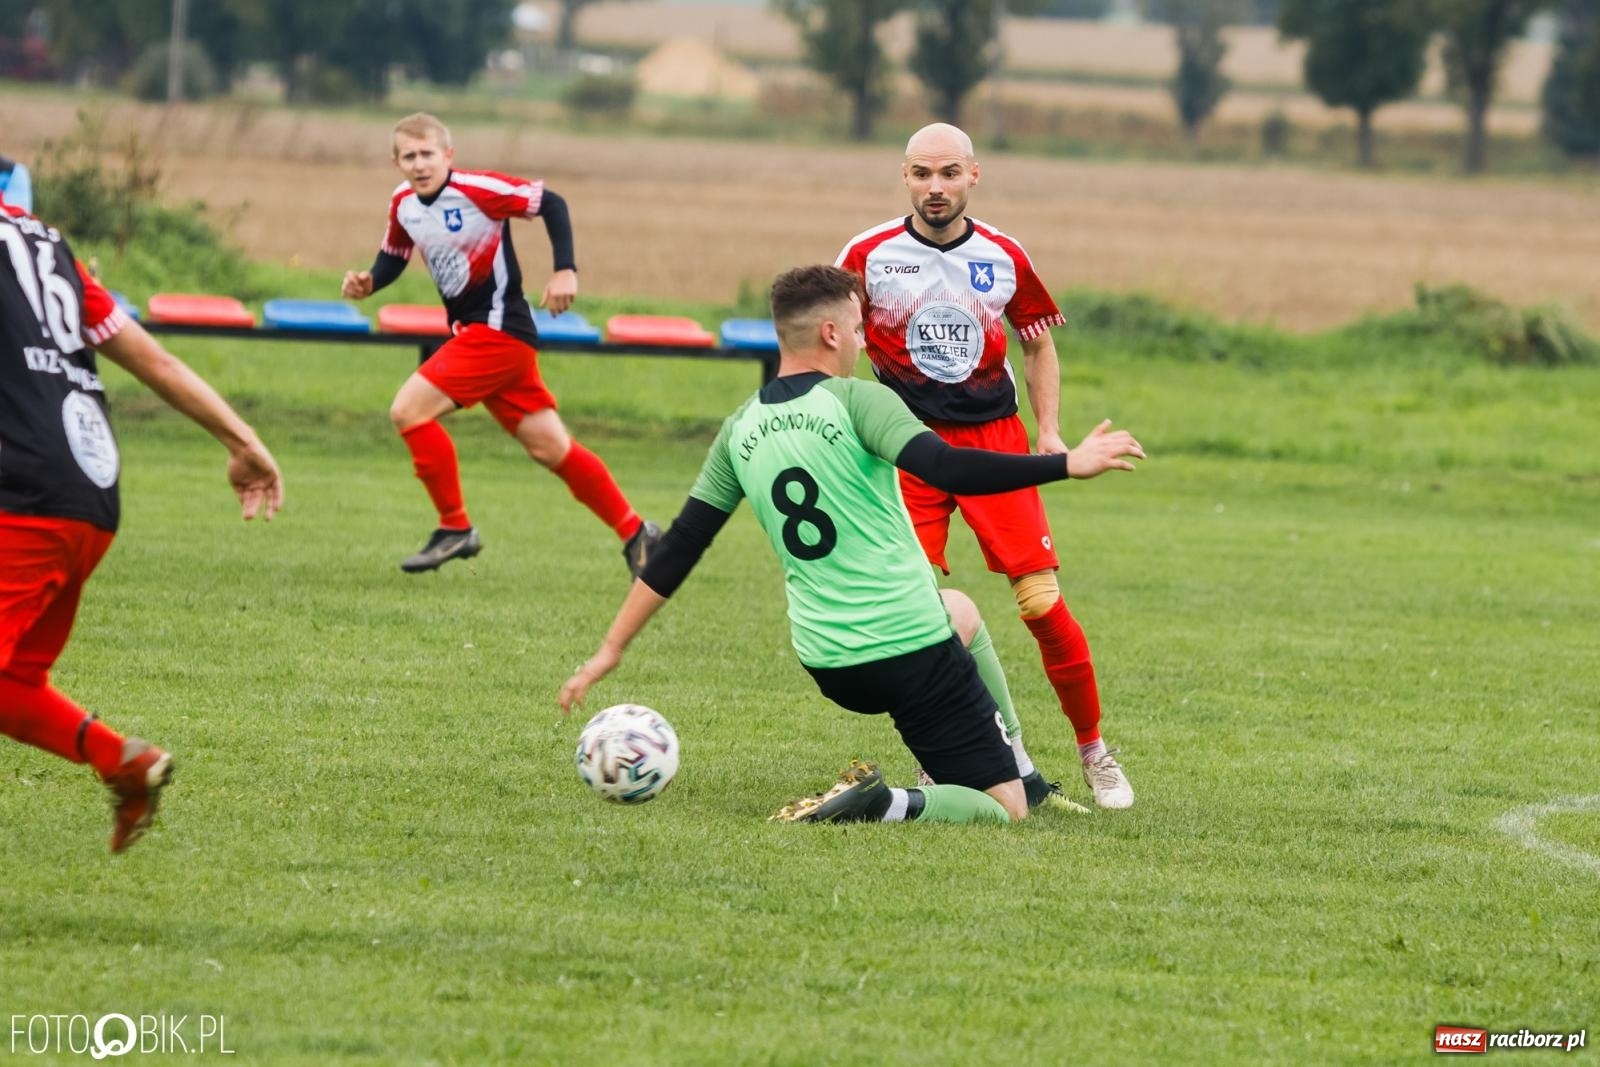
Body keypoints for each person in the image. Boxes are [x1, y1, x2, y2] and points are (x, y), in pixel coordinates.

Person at [558, 265, 1144, 825]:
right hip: (907, 650)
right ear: (831, 332)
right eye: (860, 329)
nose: (863, 343)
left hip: (829, 661)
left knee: (960, 608)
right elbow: (949, 468)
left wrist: (611, 649)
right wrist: (1066, 464)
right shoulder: (859, 400)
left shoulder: (739, 428)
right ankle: (885, 802)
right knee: (1002, 809)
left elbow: (680, 546)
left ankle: (1022, 769)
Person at [835, 122, 1135, 810]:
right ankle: (944, 761)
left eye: (947, 173)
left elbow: (1037, 344)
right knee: (911, 611)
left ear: (974, 175)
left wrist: (1051, 432)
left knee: (1042, 603)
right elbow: (834, 339)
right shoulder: (867, 254)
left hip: (994, 440)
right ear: (903, 176)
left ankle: (1094, 750)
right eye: (920, 174)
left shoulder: (1003, 255)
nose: (934, 188)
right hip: (905, 445)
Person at [0, 196, 283, 852]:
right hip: (88, 490)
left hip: (22, 492)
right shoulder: (46, 242)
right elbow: (156, 361)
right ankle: (123, 759)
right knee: (12, 683)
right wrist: (243, 441)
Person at [341, 112, 658, 575]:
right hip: (485, 337)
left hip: (498, 331)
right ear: (396, 162)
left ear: (448, 155)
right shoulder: (403, 203)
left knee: (408, 410)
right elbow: (394, 254)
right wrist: (370, 281)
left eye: (428, 153)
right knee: (551, 448)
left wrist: (565, 270)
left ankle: (455, 528)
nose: (420, 163)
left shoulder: (477, 190)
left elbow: (552, 202)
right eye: (409, 156)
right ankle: (637, 533)